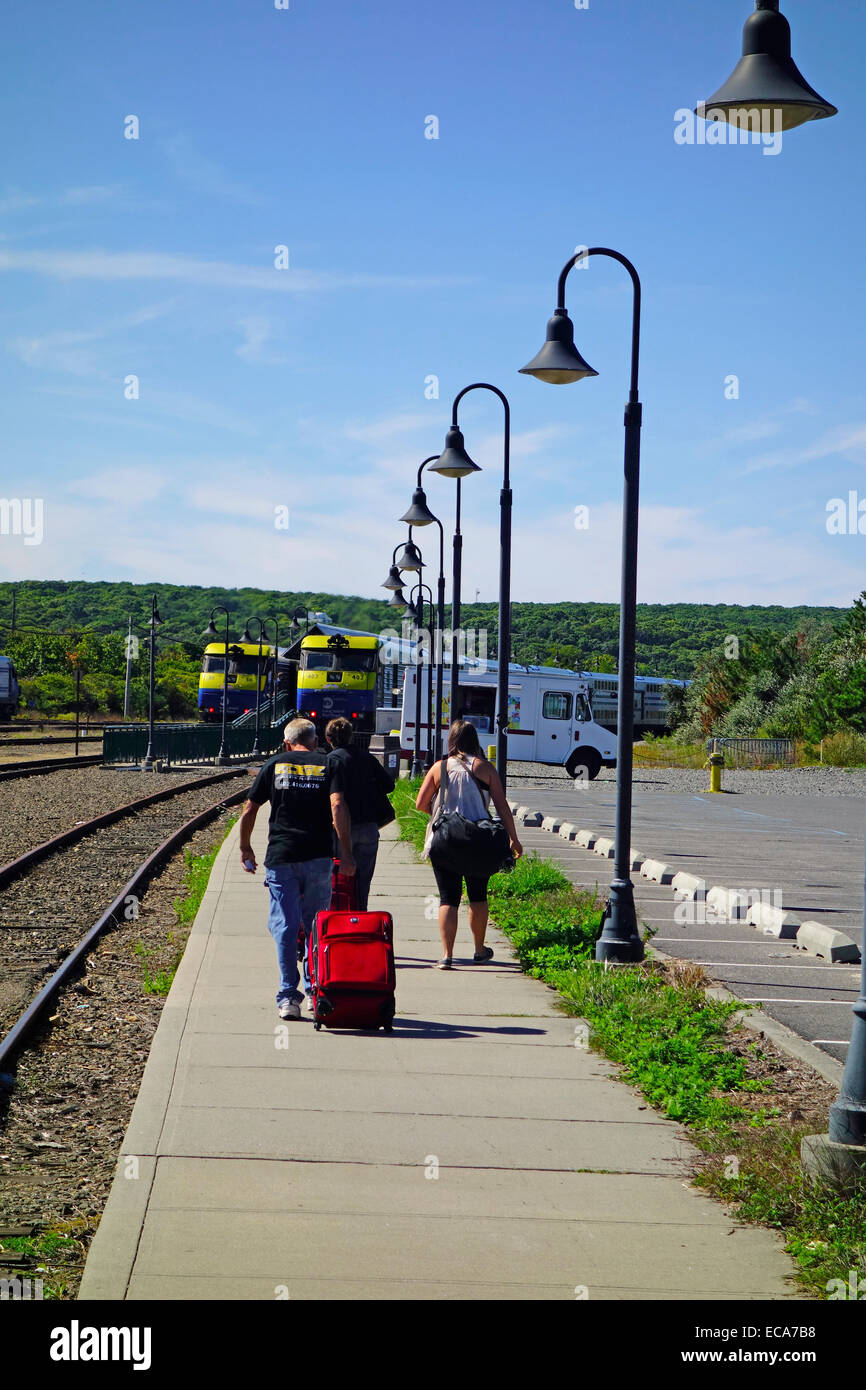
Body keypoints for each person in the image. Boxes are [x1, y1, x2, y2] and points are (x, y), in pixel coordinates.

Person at [239, 717, 355, 1020]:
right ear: (315, 741)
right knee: (317, 926)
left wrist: (245, 847)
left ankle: (288, 997)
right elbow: (338, 806)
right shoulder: (329, 765)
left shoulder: (275, 764)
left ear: (287, 742)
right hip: (318, 857)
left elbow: (250, 808)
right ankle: (317, 992)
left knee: (286, 927)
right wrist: (347, 852)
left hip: (281, 857)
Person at [415, 720, 522, 970]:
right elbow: (502, 807)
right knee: (477, 895)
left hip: (445, 840)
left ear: (451, 740)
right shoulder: (485, 768)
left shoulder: (439, 768)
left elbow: (420, 803)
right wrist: (513, 839)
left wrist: (440, 812)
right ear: (475, 740)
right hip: (478, 840)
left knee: (447, 898)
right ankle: (478, 950)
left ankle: (446, 955)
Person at [324, 716, 396, 911]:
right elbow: (389, 785)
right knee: (362, 884)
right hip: (368, 828)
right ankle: (359, 919)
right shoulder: (366, 757)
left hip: (340, 831)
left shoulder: (331, 761)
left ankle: (339, 923)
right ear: (351, 737)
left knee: (338, 884)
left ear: (329, 740)